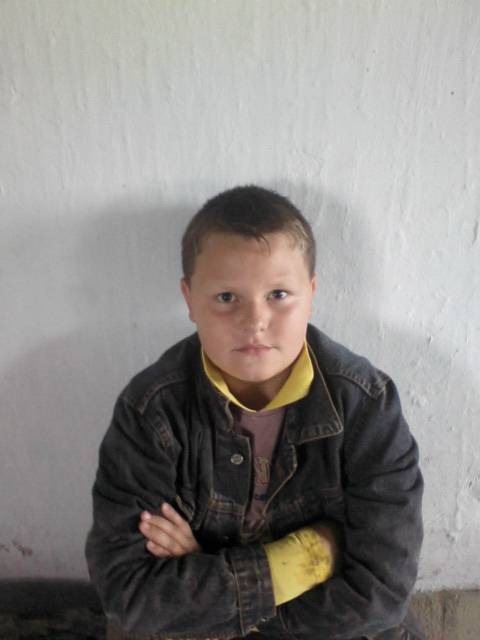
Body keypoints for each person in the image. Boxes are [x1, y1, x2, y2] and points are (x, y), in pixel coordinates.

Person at [85, 185, 425, 640]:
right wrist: (302, 561)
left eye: (278, 294)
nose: (255, 321)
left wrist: (208, 577)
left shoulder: (366, 404)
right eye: (227, 297)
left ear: (311, 292)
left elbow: (381, 592)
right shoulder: (151, 410)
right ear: (189, 299)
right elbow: (128, 593)